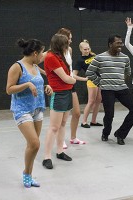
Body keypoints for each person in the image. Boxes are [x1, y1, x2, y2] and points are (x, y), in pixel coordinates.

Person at [6, 38, 53, 187]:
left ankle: (29, 175)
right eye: (41, 54)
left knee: (33, 146)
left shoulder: (35, 66)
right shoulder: (17, 67)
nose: (42, 57)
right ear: (34, 53)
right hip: (22, 109)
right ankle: (26, 173)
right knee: (34, 143)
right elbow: (9, 89)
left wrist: (46, 86)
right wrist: (26, 84)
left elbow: (38, 82)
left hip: (37, 108)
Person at [86, 34, 133, 145]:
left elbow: (128, 72)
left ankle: (120, 134)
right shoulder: (100, 57)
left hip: (122, 88)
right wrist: (100, 83)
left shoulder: (125, 58)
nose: (120, 45)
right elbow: (89, 72)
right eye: (118, 43)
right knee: (109, 114)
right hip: (107, 90)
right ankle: (105, 133)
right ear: (110, 44)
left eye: (121, 43)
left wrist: (120, 80)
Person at [42, 34, 76, 169]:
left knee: (62, 124)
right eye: (66, 44)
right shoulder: (51, 57)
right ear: (60, 45)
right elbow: (66, 78)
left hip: (67, 93)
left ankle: (60, 151)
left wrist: (71, 79)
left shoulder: (60, 56)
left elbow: (68, 76)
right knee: (54, 127)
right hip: (58, 94)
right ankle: (47, 157)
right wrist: (73, 80)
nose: (67, 47)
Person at [57, 28, 86, 146]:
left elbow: (69, 68)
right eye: (69, 39)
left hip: (70, 83)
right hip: (60, 85)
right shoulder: (54, 52)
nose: (71, 41)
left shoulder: (69, 49)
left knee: (77, 113)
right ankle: (60, 140)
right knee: (62, 117)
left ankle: (73, 138)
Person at [73, 40, 103, 128]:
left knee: (98, 100)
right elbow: (74, 75)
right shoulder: (80, 60)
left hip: (99, 80)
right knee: (91, 101)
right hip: (91, 81)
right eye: (85, 49)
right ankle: (84, 122)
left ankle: (93, 121)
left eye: (88, 49)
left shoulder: (93, 55)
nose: (87, 51)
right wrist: (84, 79)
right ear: (81, 50)